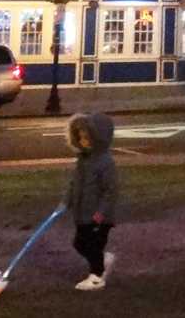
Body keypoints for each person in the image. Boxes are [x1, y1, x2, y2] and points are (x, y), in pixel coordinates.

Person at [65, 112, 119, 291]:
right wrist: (66, 202)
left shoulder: (105, 162)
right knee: (79, 243)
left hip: (98, 217)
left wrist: (101, 213)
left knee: (92, 245)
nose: (83, 142)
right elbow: (75, 184)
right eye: (80, 138)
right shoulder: (83, 161)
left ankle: (96, 276)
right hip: (83, 213)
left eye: (87, 138)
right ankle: (102, 261)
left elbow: (110, 191)